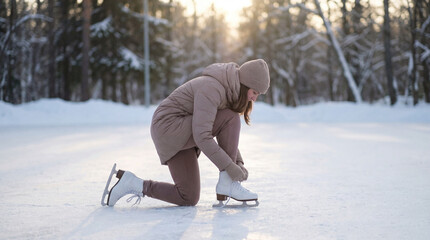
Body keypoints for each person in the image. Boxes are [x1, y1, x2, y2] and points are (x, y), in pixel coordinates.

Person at [103, 59, 270, 207]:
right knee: (231, 117)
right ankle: (227, 184)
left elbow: (222, 133)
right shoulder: (212, 88)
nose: (254, 98)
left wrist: (237, 164)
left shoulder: (227, 91)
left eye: (258, 95)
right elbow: (203, 136)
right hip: (169, 126)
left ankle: (133, 183)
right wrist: (229, 168)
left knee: (188, 196)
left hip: (179, 132)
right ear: (244, 85)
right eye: (254, 92)